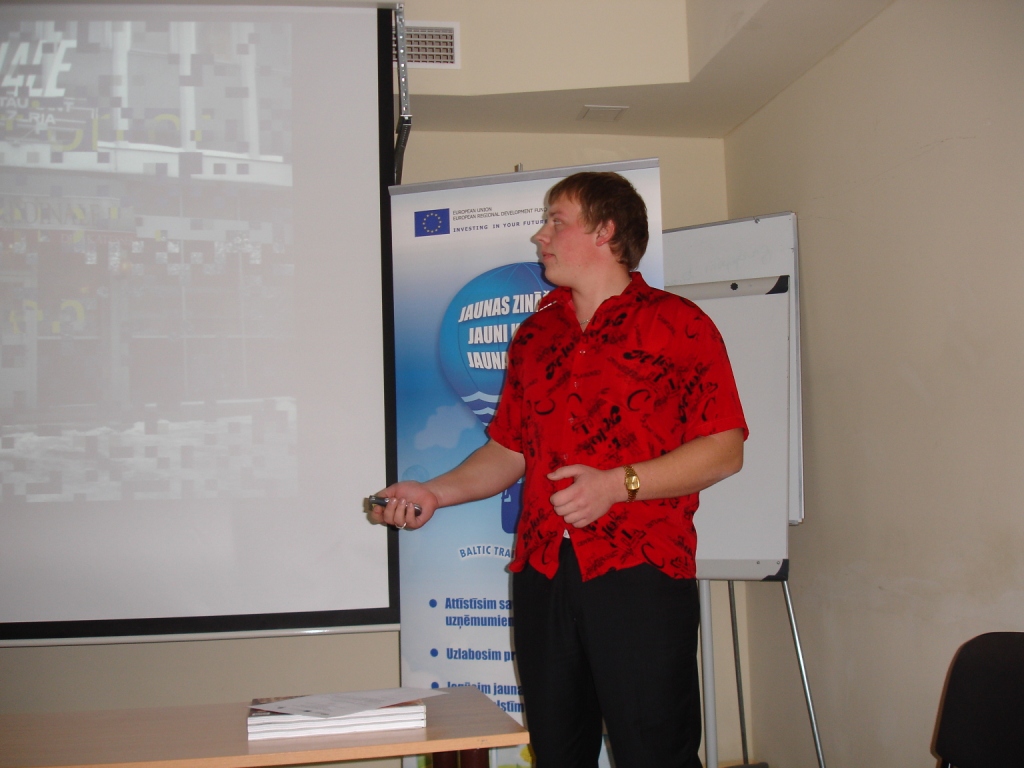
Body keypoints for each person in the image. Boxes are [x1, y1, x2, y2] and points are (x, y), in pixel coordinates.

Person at [372, 171, 747, 768]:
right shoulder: (534, 335)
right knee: (557, 753)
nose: (539, 236)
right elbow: (509, 451)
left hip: (639, 570)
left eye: (556, 221)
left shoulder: (678, 324)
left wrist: (618, 485)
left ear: (606, 231)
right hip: (543, 571)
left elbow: (724, 448)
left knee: (656, 753)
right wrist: (434, 493)